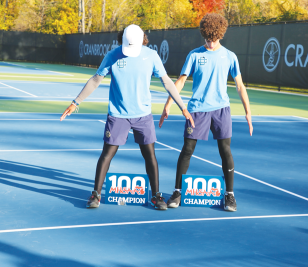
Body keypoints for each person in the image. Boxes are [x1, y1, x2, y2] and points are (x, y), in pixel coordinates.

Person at [61, 24, 194, 210]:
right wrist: (76, 102)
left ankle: (156, 195)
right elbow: (95, 80)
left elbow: (167, 82)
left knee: (150, 156)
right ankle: (96, 194)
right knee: (107, 154)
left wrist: (183, 107)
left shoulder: (151, 56)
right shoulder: (113, 55)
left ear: (142, 40)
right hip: (118, 116)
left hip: (143, 117)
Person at [159, 13, 253, 212]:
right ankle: (177, 191)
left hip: (221, 110)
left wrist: (248, 111)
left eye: (214, 39)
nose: (210, 43)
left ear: (220, 35)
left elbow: (240, 85)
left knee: (225, 151)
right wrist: (168, 104)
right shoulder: (194, 55)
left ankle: (229, 195)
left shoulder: (229, 56)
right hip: (197, 111)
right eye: (207, 39)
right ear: (203, 34)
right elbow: (181, 81)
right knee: (187, 150)